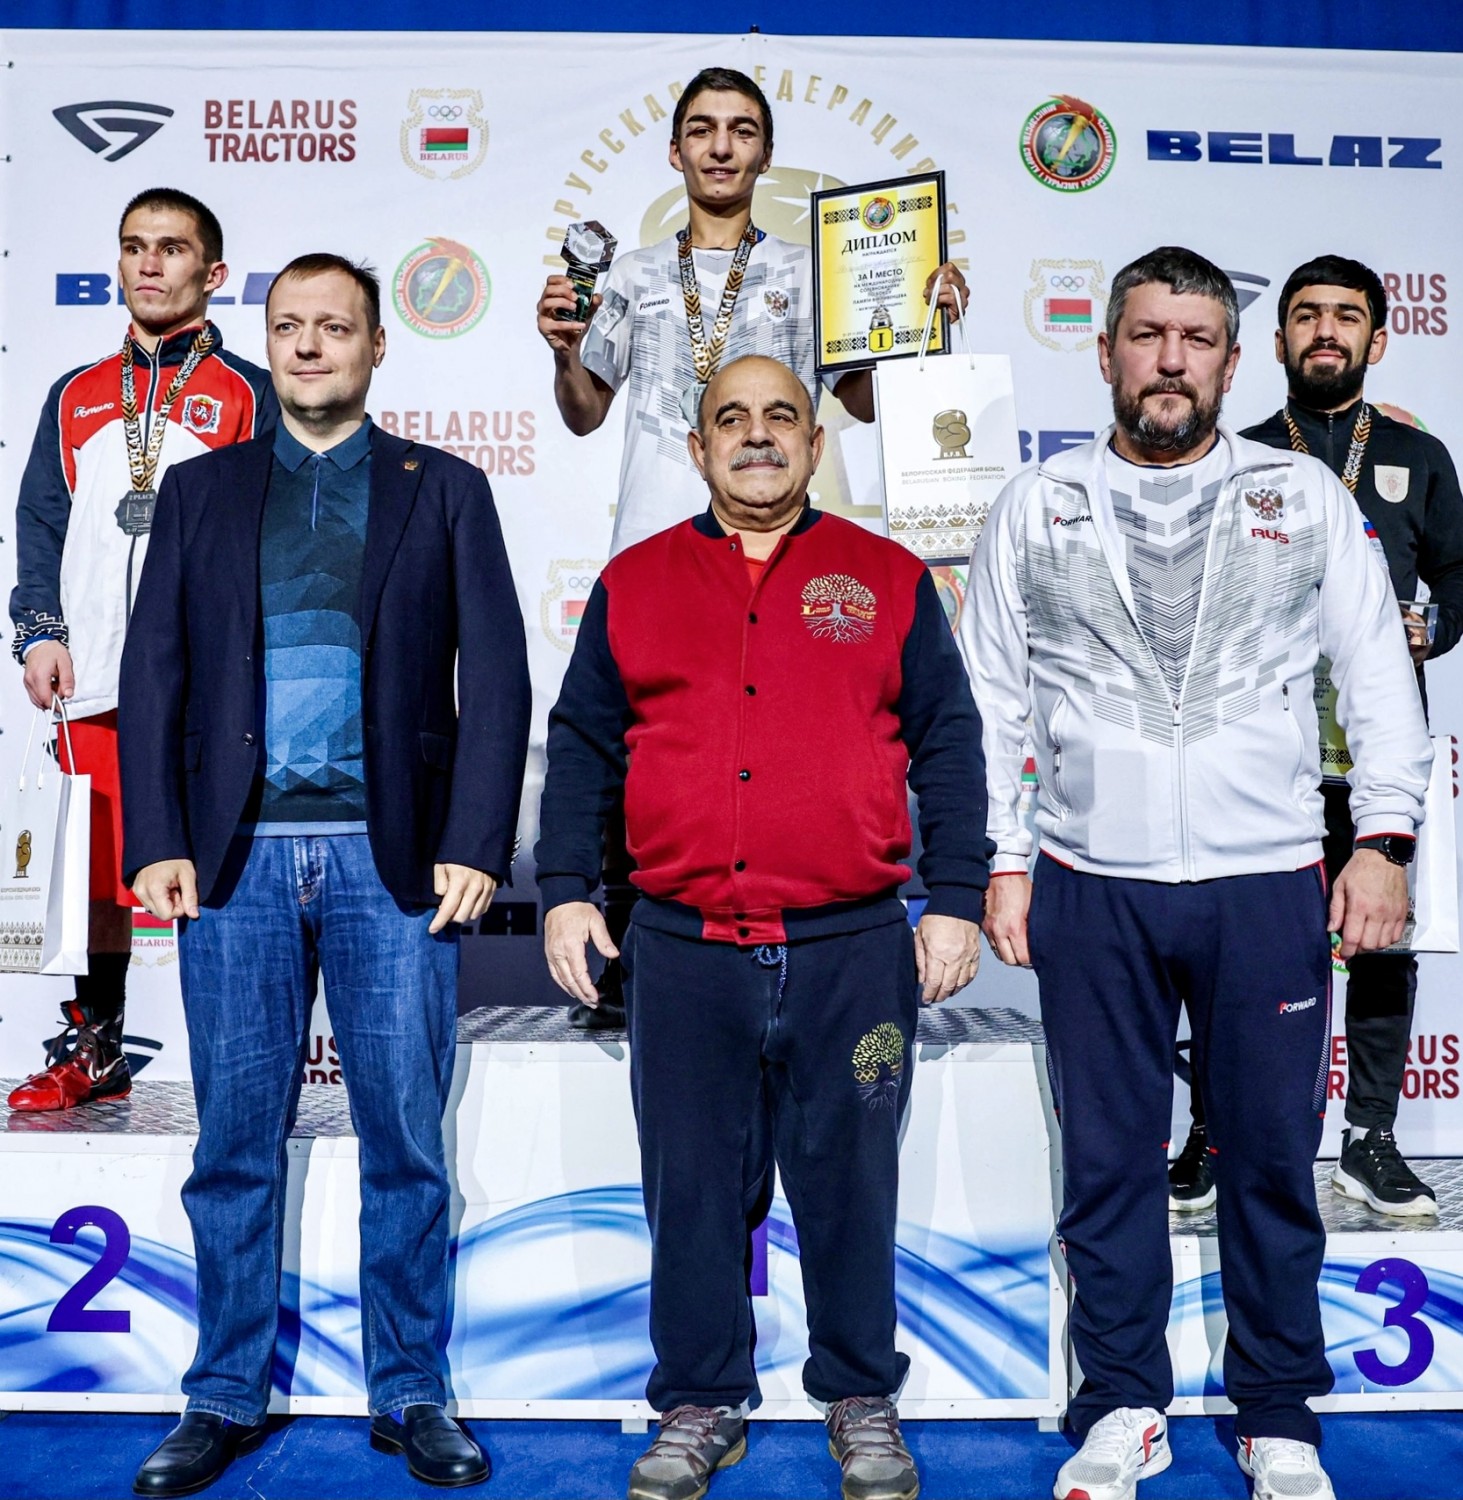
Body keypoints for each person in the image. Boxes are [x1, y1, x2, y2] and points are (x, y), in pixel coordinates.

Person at [965, 247, 1432, 1500]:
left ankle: (1276, 1414)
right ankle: (1121, 1404)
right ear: (1104, 350)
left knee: (1270, 1162)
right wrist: (1001, 861)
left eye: (1195, 338)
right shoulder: (1034, 502)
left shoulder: (1300, 496)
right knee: (1107, 1164)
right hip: (1088, 882)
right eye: (1145, 334)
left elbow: (1376, 680)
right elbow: (988, 700)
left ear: (1231, 361)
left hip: (1265, 882)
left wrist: (1381, 841)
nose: (1168, 360)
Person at [536, 354, 990, 1500]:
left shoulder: (885, 580)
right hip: (684, 952)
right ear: (695, 449)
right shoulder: (635, 582)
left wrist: (952, 899)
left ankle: (858, 1395)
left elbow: (947, 744)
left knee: (851, 1184)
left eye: (779, 416)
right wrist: (568, 889)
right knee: (690, 1189)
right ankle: (698, 1401)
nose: (755, 435)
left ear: (814, 443)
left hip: (852, 953)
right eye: (729, 418)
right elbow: (580, 747)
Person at [118, 253, 531, 1497]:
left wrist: (474, 839)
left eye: (334, 327)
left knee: (405, 1142)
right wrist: (156, 835)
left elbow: (496, 677)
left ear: (374, 345)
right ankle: (221, 1394)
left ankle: (410, 1390)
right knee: (234, 1144)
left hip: (391, 865)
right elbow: (153, 672)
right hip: (232, 862)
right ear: (267, 342)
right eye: (289, 326)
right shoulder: (199, 490)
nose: (309, 346)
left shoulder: (443, 488)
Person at [536, 65, 967, 1027]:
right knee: (646, 749)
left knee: (778, 742)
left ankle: (816, 961)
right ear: (675, 151)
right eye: (702, 129)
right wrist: (565, 351)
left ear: (766, 152)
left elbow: (864, 400)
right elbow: (584, 411)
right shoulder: (629, 276)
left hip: (781, 546)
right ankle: (633, 963)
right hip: (659, 547)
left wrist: (922, 323)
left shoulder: (816, 271)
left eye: (740, 129)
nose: (721, 146)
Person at [7, 187, 275, 1113]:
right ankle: (97, 1045)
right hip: (93, 665)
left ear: (214, 272)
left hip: (205, 673)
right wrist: (41, 630)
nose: (149, 263)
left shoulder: (249, 391)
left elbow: (272, 531)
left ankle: (239, 1049)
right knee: (98, 868)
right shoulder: (75, 394)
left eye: (171, 247)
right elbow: (40, 522)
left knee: (216, 854)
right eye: (133, 246)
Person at [1236, 255, 1462, 1217]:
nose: (1324, 331)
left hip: (1378, 754)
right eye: (1305, 315)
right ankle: (1218, 1132)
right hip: (1261, 751)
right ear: (1277, 338)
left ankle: (1368, 1139)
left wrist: (1432, 626)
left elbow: (1457, 576)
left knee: (1381, 943)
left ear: (1377, 336)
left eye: (1345, 315)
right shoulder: (1238, 453)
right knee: (1245, 947)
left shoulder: (1419, 455)